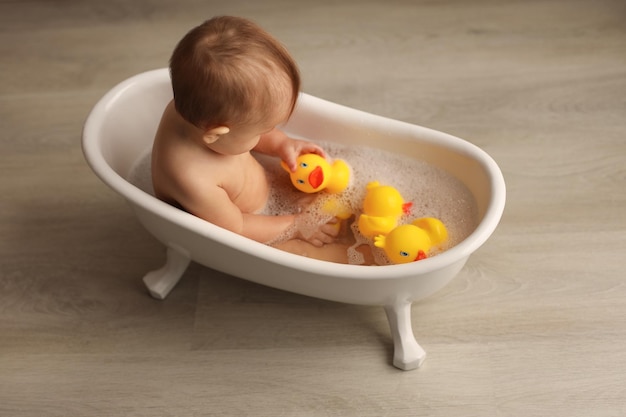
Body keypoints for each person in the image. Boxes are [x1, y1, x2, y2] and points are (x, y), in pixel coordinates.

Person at [152, 16, 347, 258]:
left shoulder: (198, 111)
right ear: (216, 134)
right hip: (251, 225)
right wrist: (295, 225)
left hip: (266, 194)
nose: (269, 133)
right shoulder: (192, 178)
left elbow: (241, 132)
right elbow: (235, 228)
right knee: (316, 254)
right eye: (264, 130)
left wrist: (281, 144)